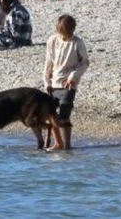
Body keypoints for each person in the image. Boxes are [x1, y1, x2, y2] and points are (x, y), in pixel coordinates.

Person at [43, 14, 89, 149]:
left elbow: (85, 63)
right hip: (54, 84)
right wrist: (47, 82)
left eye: (66, 33)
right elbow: (48, 63)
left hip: (68, 85)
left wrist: (73, 76)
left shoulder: (78, 43)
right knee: (51, 115)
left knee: (64, 113)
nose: (63, 36)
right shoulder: (52, 40)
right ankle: (57, 143)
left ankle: (67, 145)